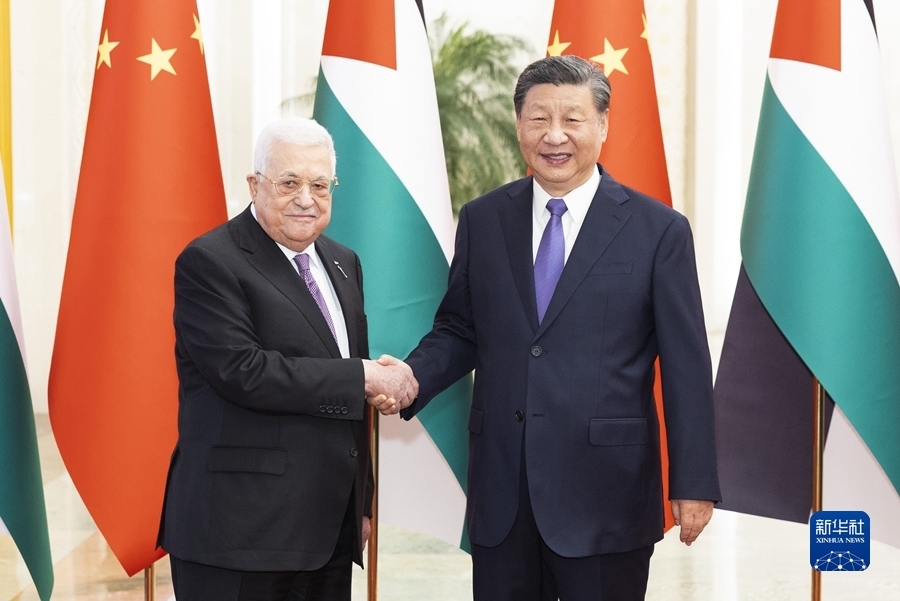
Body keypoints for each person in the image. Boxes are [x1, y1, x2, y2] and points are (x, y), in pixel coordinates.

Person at [380, 55, 721, 600]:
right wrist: (411, 377)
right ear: (519, 125)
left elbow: (686, 365)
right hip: (503, 493)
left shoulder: (658, 230)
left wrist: (694, 481)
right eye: (539, 119)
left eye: (572, 119)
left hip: (606, 494)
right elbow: (460, 328)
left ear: (603, 125)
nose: (554, 135)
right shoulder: (484, 219)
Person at [157, 117, 416, 601]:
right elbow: (244, 372)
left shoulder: (343, 261)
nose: (306, 198)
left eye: (320, 185)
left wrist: (360, 504)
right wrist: (363, 377)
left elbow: (346, 390)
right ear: (254, 184)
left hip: (327, 532)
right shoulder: (211, 260)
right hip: (239, 534)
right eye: (289, 182)